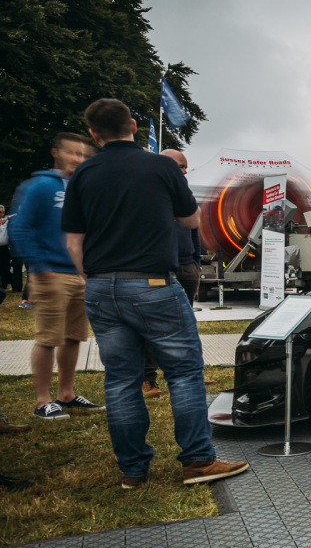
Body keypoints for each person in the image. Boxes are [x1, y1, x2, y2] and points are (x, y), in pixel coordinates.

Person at [62, 98, 248, 489]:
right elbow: (190, 219)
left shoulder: (84, 173)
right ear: (132, 124)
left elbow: (73, 242)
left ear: (94, 134)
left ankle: (133, 471)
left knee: (120, 380)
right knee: (182, 373)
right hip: (152, 284)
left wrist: (95, 278)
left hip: (100, 285)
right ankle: (197, 461)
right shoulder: (162, 166)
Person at [9, 134, 105, 420]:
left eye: (83, 154)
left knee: (74, 338)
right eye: (72, 153)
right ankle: (42, 402)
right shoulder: (39, 186)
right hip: (51, 273)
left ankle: (66, 393)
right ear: (56, 153)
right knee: (48, 338)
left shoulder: (83, 188)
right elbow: (20, 228)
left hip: (79, 276)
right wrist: (39, 265)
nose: (78, 159)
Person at [142, 149, 206, 398]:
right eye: (181, 166)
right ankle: (148, 380)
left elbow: (194, 230)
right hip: (159, 269)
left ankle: (190, 376)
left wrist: (195, 262)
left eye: (186, 166)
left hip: (187, 266)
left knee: (186, 325)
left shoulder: (185, 195)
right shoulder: (148, 194)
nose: (185, 171)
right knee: (154, 325)